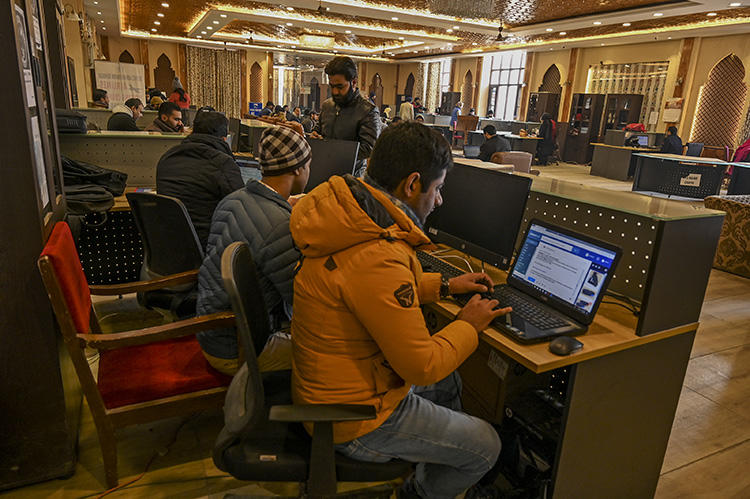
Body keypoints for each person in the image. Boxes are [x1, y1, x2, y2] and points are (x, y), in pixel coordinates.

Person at [290, 121, 510, 498]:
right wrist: (468, 324)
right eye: (437, 188)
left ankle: (435, 456)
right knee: (486, 445)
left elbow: (367, 293)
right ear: (411, 185)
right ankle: (417, 492)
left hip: (330, 389)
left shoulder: (351, 218)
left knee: (450, 381)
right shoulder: (377, 253)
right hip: (356, 419)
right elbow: (420, 365)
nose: (438, 201)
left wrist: (442, 285)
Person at [195, 123, 311, 375]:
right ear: (298, 168)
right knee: (343, 347)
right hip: (239, 349)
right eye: (309, 165)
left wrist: (283, 204)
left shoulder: (233, 200)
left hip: (211, 332)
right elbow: (304, 302)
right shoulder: (280, 225)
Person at [156, 111, 244, 249]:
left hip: (167, 247)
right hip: (207, 248)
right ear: (224, 139)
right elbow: (242, 210)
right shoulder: (223, 164)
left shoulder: (167, 157)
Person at [311, 56, 380, 169]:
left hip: (351, 175)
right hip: (324, 166)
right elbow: (318, 130)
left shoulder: (368, 111)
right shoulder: (327, 105)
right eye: (332, 86)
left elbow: (369, 149)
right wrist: (314, 136)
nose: (335, 92)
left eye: (340, 87)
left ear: (353, 82)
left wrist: (331, 148)